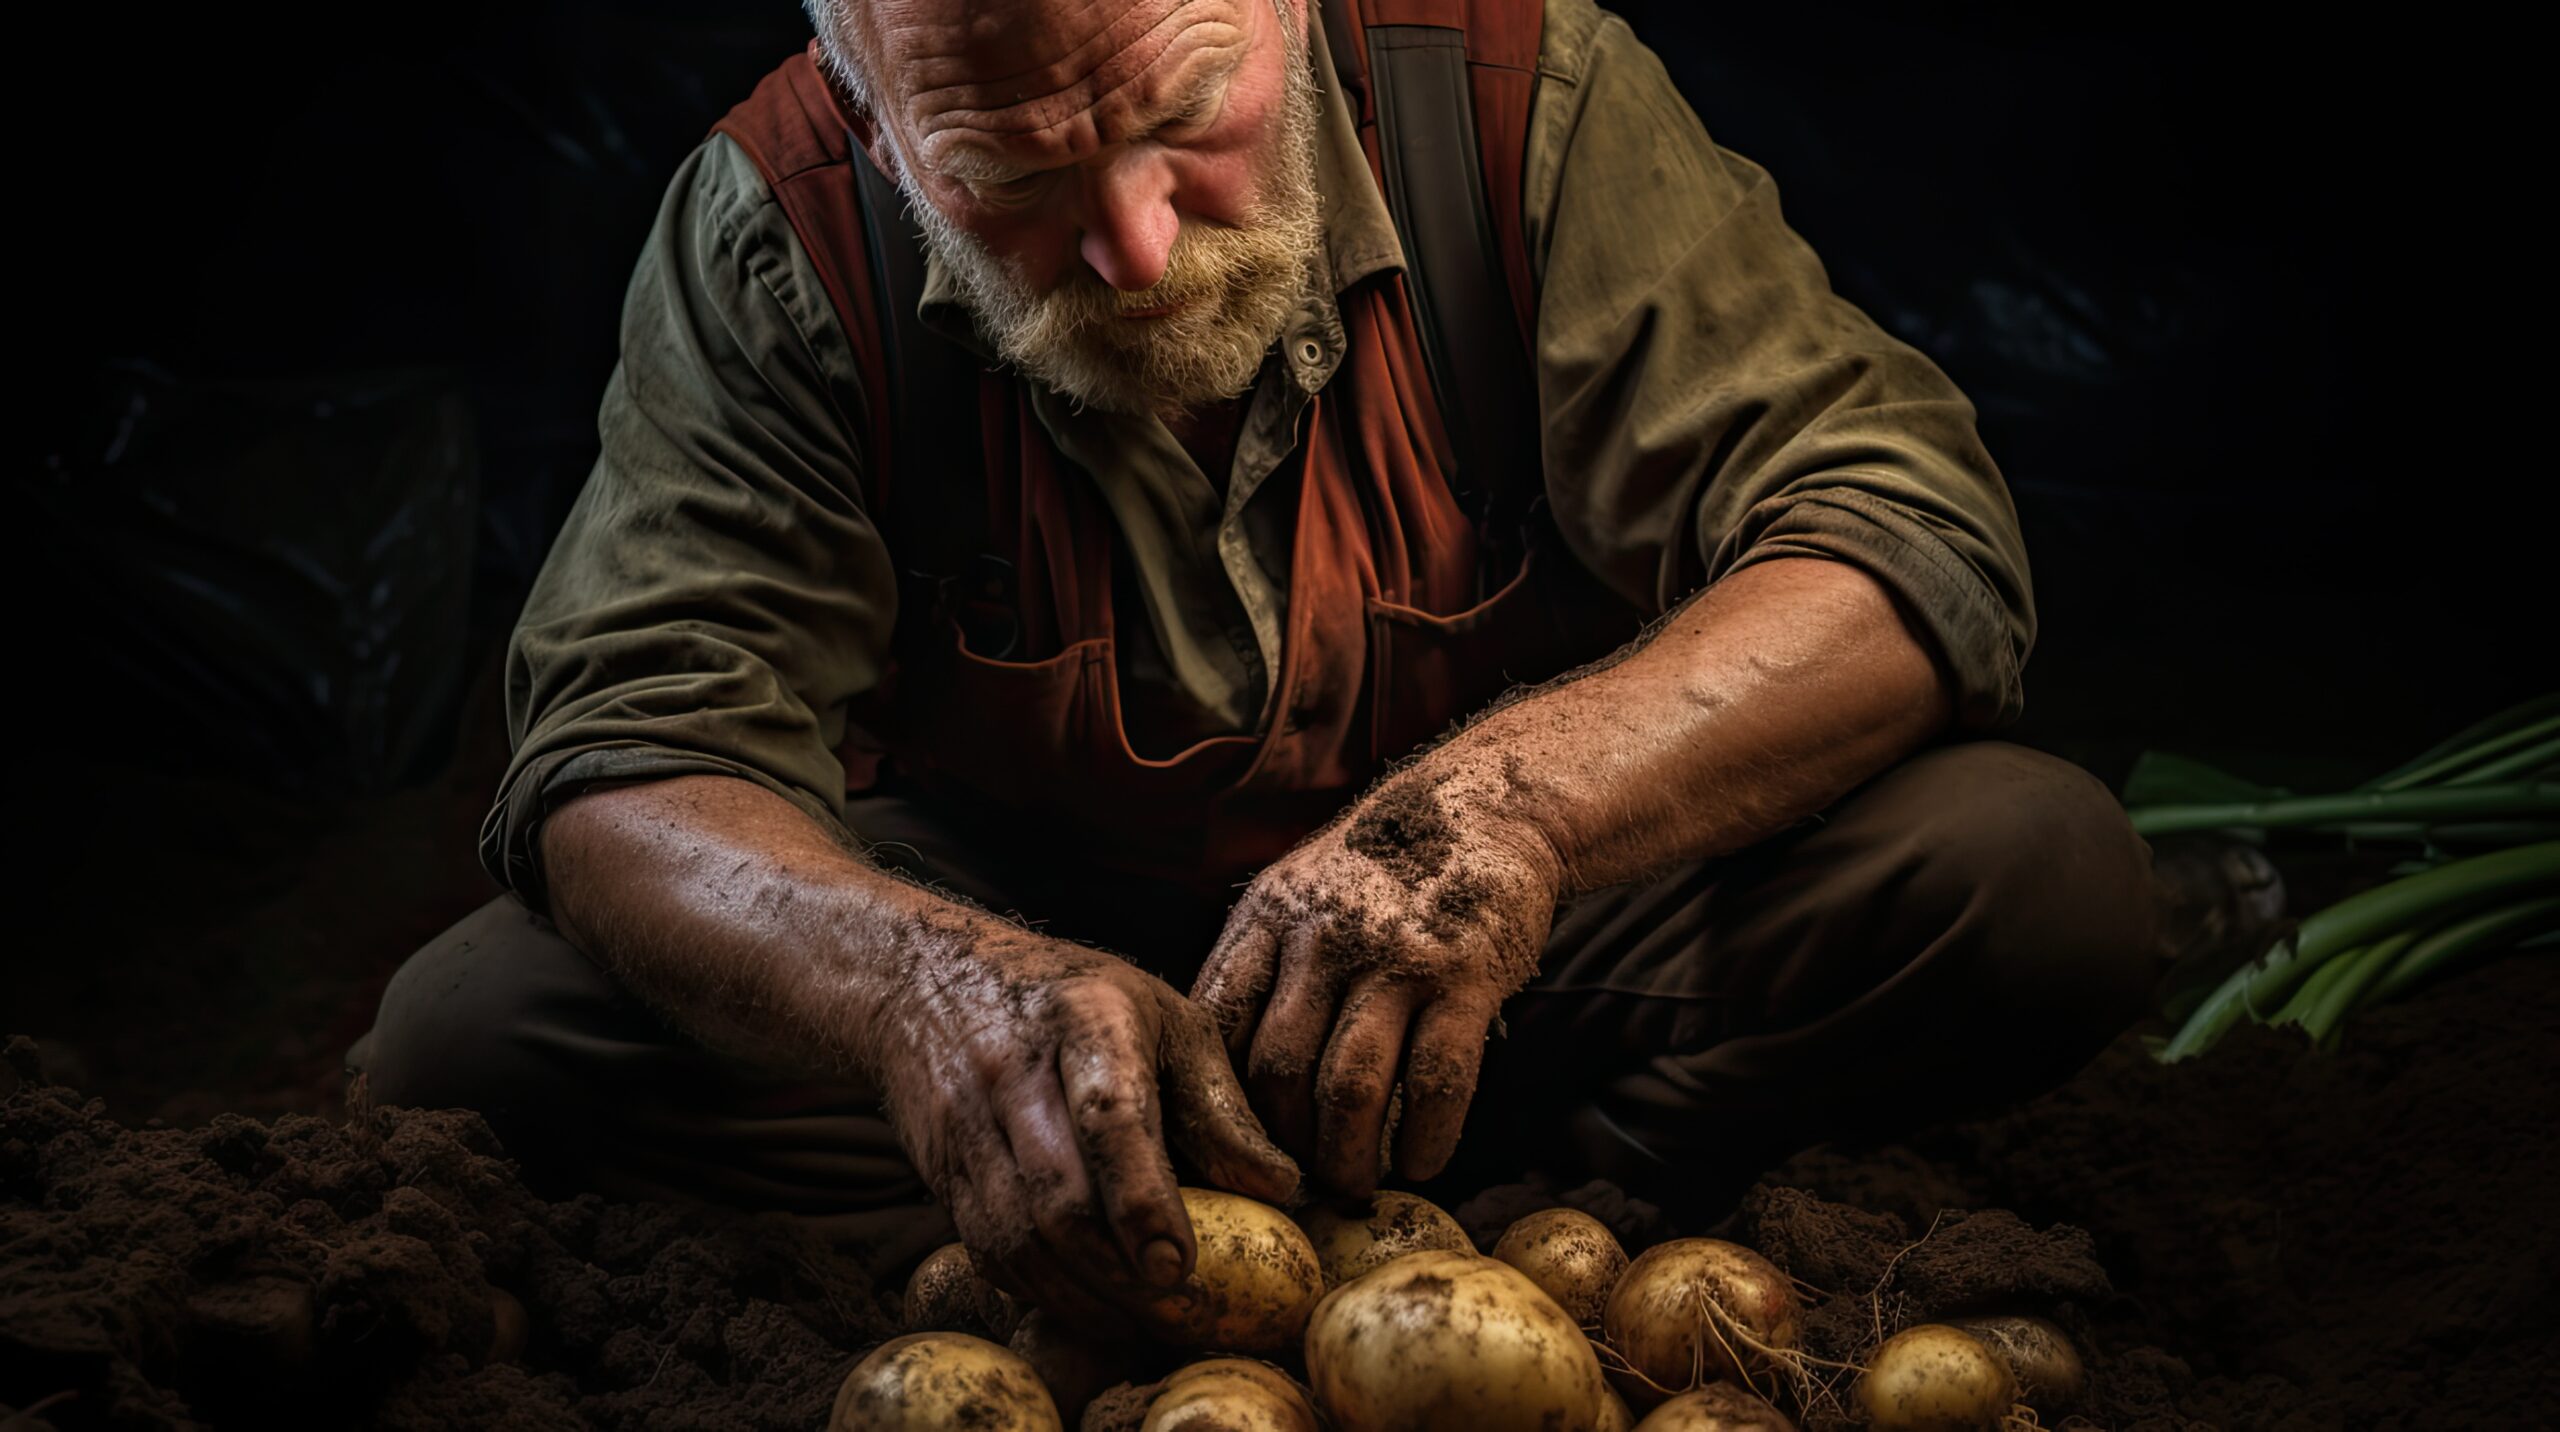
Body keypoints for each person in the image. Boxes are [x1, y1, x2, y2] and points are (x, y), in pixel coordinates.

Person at [351, 0, 2161, 1323]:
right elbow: (624, 754)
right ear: (877, 113)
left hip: (1527, 967)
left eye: (1187, 107)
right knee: (480, 1036)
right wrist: (927, 997)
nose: (1135, 251)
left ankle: (1519, 1234)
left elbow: (1900, 520)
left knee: (2030, 875)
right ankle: (1113, 1231)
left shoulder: (1525, 94)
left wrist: (1503, 816)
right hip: (1034, 973)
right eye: (1003, 179)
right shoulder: (775, 226)